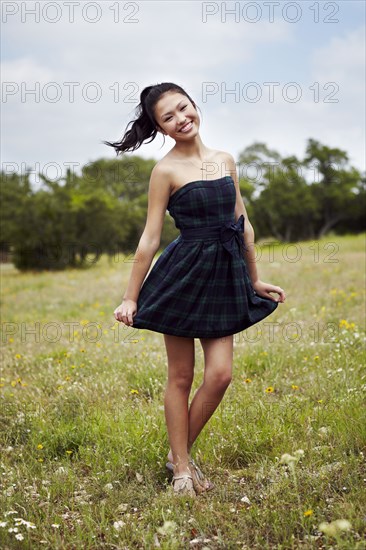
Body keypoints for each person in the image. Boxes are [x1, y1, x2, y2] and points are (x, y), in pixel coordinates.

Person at [104, 82, 286, 498]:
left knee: (220, 375)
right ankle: (182, 468)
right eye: (168, 117)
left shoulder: (225, 159)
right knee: (181, 376)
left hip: (224, 274)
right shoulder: (164, 171)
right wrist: (131, 296)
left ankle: (176, 452)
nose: (181, 119)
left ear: (194, 105)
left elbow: (243, 221)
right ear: (160, 128)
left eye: (183, 108)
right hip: (183, 276)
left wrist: (254, 278)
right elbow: (150, 238)